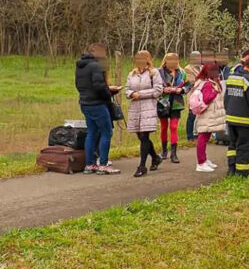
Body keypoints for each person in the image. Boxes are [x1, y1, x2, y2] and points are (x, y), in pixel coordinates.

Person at [76, 43, 122, 175]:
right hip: (97, 103)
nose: (104, 55)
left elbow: (79, 84)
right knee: (106, 132)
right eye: (102, 52)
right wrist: (109, 94)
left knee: (91, 133)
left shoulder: (80, 66)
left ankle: (89, 164)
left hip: (85, 102)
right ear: (95, 52)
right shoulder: (95, 66)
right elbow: (99, 86)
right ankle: (103, 164)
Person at [125, 50, 164, 178]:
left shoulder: (154, 73)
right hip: (135, 108)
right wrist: (131, 94)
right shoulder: (132, 74)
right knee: (141, 137)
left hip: (149, 106)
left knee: (144, 134)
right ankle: (155, 157)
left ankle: (142, 166)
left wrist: (140, 94)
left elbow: (158, 90)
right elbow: (127, 89)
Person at [224, 56, 249, 177]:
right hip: (246, 120)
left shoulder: (231, 78)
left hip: (231, 118)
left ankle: (231, 169)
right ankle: (242, 172)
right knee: (245, 146)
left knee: (233, 145)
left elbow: (226, 97)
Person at [192, 61, 224, 172]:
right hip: (207, 114)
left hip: (209, 115)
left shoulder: (208, 82)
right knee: (203, 138)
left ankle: (204, 160)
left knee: (205, 137)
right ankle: (201, 162)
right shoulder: (207, 84)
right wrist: (215, 92)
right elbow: (207, 99)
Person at [158, 53, 188, 164]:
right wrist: (163, 90)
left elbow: (188, 85)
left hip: (176, 102)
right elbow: (154, 85)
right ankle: (164, 151)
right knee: (164, 127)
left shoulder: (182, 72)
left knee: (174, 127)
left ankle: (174, 153)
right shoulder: (159, 72)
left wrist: (182, 90)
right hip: (163, 102)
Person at [183, 51, 203, 142]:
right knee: (191, 115)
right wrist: (203, 81)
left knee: (200, 115)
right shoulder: (188, 69)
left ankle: (198, 133)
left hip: (202, 95)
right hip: (193, 94)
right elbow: (191, 82)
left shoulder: (202, 67)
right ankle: (189, 136)